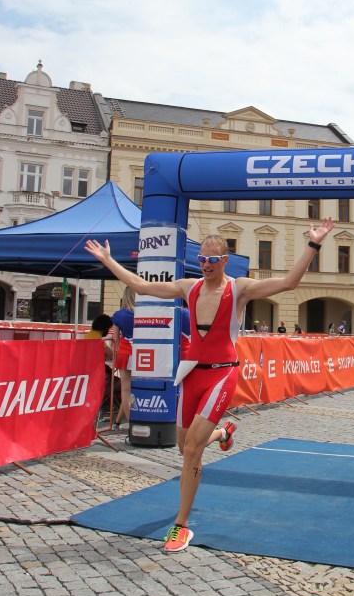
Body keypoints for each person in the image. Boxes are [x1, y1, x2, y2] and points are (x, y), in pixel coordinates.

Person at [85, 217, 334, 553]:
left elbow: (289, 283)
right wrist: (108, 260)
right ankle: (222, 434)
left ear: (224, 261)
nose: (206, 265)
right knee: (185, 446)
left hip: (222, 373)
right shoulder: (189, 287)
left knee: (190, 452)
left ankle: (181, 525)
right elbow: (142, 287)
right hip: (192, 375)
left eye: (212, 260)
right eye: (202, 259)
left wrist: (314, 243)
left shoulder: (239, 288)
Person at [111, 287, 135, 430]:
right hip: (143, 354)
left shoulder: (118, 315)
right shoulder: (144, 313)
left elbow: (115, 340)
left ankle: (132, 423)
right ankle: (118, 421)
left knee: (125, 390)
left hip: (125, 353)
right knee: (134, 389)